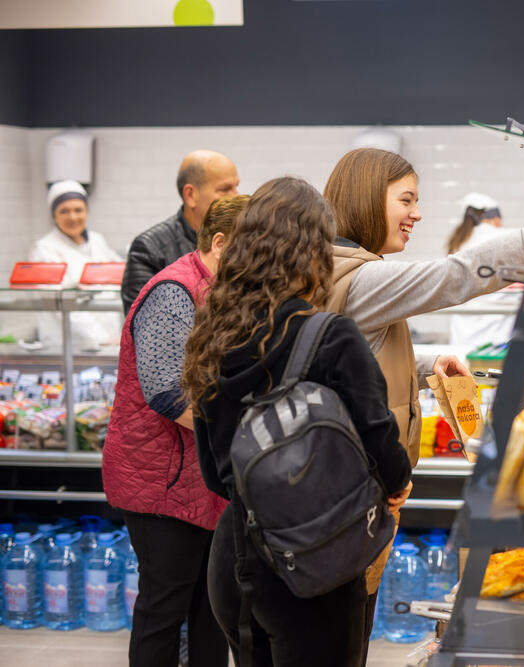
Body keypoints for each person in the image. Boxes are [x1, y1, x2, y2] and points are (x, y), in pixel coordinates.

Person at [322, 148, 524, 641]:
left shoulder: (345, 269)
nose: (417, 213)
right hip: (349, 501)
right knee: (338, 638)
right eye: (406, 200)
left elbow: (349, 359)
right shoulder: (359, 278)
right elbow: (457, 274)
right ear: (366, 199)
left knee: (347, 631)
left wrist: (426, 364)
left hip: (353, 497)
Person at [181, 177, 412, 666]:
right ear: (313, 253)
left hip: (233, 558)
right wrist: (396, 486)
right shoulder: (331, 336)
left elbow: (214, 473)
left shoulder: (211, 335)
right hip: (312, 563)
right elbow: (380, 441)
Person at [102, 195, 249, 667]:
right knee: (164, 608)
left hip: (202, 478)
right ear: (221, 243)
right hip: (160, 480)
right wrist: (238, 434)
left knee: (213, 606)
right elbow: (167, 392)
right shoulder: (173, 290)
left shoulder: (222, 290)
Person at [121, 149, 239, 313]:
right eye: (225, 190)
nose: (236, 196)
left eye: (236, 187)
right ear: (190, 195)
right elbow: (143, 318)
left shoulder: (239, 241)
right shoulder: (149, 248)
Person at [29, 180, 124, 349]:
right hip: (69, 343)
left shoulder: (97, 240)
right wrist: (100, 336)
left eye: (78, 210)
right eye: (64, 211)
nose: (72, 217)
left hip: (110, 338)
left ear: (86, 211)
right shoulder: (44, 249)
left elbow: (119, 272)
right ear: (54, 216)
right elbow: (57, 302)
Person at [445, 192, 518, 348]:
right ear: (495, 218)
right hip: (493, 337)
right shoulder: (500, 237)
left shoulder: (459, 242)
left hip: (461, 334)